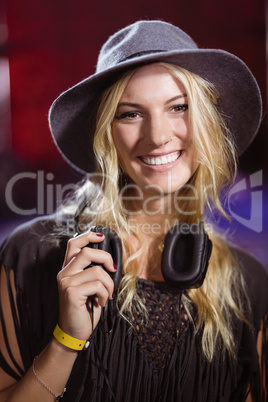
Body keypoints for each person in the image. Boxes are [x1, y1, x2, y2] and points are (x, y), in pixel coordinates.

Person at [0, 20, 267, 402]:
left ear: (207, 121)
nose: (158, 136)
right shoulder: (29, 254)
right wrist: (67, 340)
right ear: (106, 133)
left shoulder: (249, 284)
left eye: (179, 107)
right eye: (130, 114)